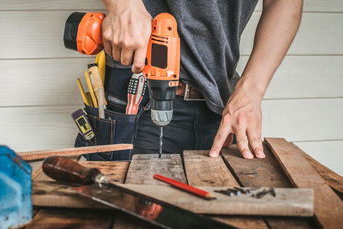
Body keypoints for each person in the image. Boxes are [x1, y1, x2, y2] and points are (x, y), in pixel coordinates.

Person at [101, 0, 303, 159]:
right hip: (139, 92)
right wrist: (123, 5)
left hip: (221, 103)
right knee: (130, 204)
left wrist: (251, 90)